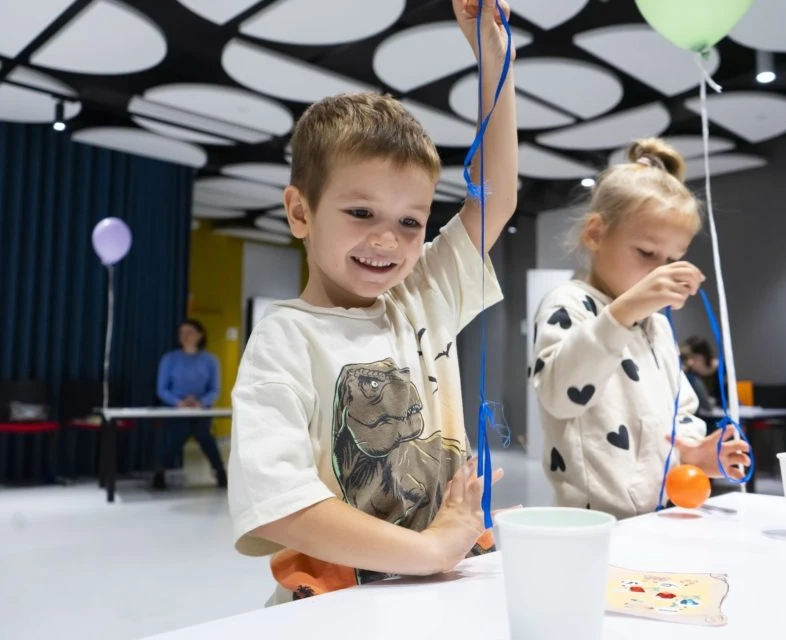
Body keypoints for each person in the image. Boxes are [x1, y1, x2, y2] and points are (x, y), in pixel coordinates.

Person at [227, 0, 518, 606]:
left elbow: (498, 195)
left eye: (411, 222)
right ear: (300, 212)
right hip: (339, 607)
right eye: (361, 212)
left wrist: (493, 54)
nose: (388, 241)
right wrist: (430, 550)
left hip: (440, 591)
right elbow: (280, 504)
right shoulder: (285, 340)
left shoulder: (420, 299)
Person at [529, 138, 750, 520]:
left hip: (657, 517)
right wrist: (623, 312)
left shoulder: (657, 326)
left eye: (672, 259)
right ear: (596, 234)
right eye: (646, 253)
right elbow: (561, 395)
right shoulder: (568, 302)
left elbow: (678, 411)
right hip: (592, 523)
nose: (660, 271)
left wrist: (693, 453)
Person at [154, 319, 227, 490]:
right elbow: (162, 389)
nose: (185, 336)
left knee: (204, 435)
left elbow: (214, 390)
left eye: (189, 332)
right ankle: (160, 473)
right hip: (175, 410)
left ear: (199, 335)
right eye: (182, 333)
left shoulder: (210, 360)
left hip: (200, 410)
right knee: (176, 435)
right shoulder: (169, 359)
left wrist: (200, 403)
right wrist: (179, 402)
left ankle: (220, 471)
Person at [682, 335, 721, 410]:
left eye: (693, 357)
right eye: (687, 358)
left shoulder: (720, 369)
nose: (689, 362)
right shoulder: (690, 374)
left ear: (703, 356)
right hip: (705, 411)